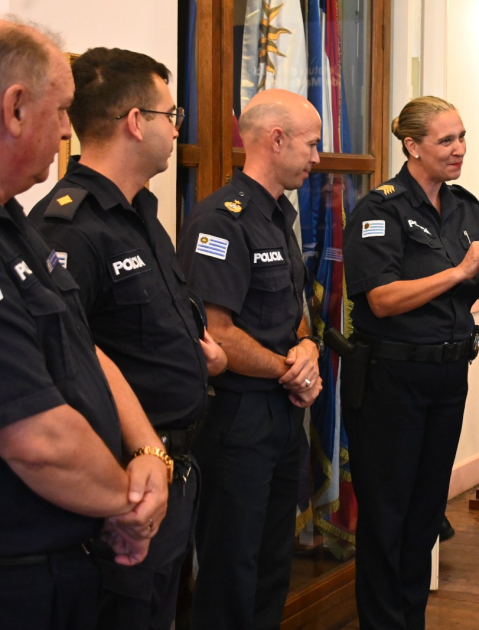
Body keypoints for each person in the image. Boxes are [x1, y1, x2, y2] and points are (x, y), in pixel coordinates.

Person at [28, 47, 227, 630]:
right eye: (173, 115)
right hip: (124, 480)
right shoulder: (70, 228)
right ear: (137, 122)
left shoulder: (140, 214)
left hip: (174, 467)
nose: (175, 130)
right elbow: (66, 367)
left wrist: (199, 358)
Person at [0, 19, 170, 630]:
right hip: (21, 573)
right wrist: (130, 504)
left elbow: (82, 346)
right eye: (63, 110)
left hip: (73, 556)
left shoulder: (14, 226)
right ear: (16, 108)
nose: (70, 130)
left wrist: (149, 448)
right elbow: (36, 439)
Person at [342, 95, 479, 629]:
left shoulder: (463, 206)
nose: (461, 149)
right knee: (387, 520)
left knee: (424, 518)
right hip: (390, 379)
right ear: (411, 145)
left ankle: (410, 621)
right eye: (447, 140)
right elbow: (381, 299)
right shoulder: (380, 209)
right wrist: (461, 268)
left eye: (462, 136)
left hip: (447, 375)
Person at [177, 88, 324, 629]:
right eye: (310, 145)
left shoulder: (277, 217)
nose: (316, 158)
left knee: (270, 564)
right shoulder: (221, 220)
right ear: (276, 139)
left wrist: (307, 347)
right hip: (237, 418)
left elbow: (294, 309)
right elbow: (218, 333)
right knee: (230, 569)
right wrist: (293, 370)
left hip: (283, 414)